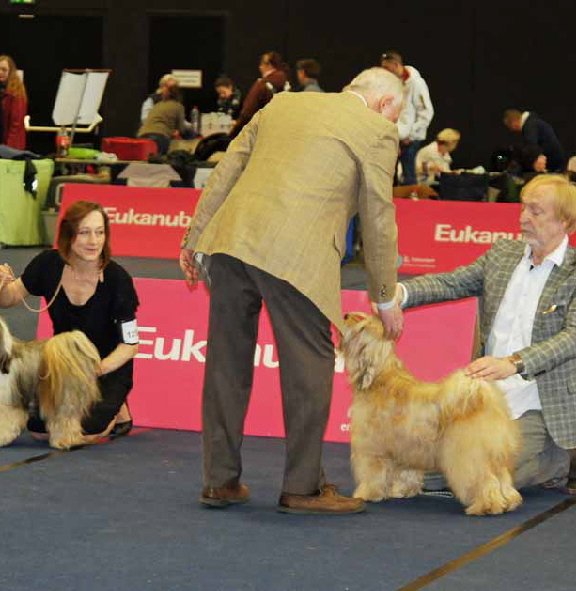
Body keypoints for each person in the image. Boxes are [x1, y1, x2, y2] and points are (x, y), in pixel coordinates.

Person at [179, 67, 405, 515]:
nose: (395, 124)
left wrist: (193, 238)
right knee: (310, 367)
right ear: (384, 105)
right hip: (294, 257)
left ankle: (219, 481)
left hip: (229, 244)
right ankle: (303, 487)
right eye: (396, 114)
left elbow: (226, 168)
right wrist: (385, 296)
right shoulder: (377, 130)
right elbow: (379, 217)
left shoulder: (283, 102)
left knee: (226, 364)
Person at [394, 174, 576, 496]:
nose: (524, 218)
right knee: (424, 473)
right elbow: (452, 283)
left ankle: (561, 461)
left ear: (564, 221)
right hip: (484, 394)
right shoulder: (502, 255)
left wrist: (514, 363)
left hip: (539, 400)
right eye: (523, 208)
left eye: (536, 212)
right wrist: (400, 292)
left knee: (482, 479)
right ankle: (546, 459)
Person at [0, 200, 139, 442]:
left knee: (86, 431)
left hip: (105, 366)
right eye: (84, 233)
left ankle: (118, 409)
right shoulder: (48, 264)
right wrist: (1, 284)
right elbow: (9, 300)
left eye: (100, 232)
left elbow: (130, 345)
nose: (94, 241)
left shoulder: (118, 280)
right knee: (38, 429)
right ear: (68, 235)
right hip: (62, 366)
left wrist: (96, 370)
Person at [380, 50, 433, 186]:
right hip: (397, 136)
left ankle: (412, 205)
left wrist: (412, 134)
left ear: (396, 65)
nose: (384, 71)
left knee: (408, 176)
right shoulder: (393, 83)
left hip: (410, 139)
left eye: (387, 68)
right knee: (391, 175)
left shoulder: (416, 83)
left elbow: (427, 112)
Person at [229, 51, 290, 139]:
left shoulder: (262, 84)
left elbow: (247, 113)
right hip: (283, 132)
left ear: (268, 64)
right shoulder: (287, 84)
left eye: (261, 64)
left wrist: (234, 131)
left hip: (262, 134)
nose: (260, 67)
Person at [137, 82, 192, 155]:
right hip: (160, 137)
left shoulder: (158, 104)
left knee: (145, 162)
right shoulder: (178, 106)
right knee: (159, 162)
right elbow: (181, 128)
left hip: (142, 135)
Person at [0, 54, 28, 150]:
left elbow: (15, 124)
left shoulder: (16, 93)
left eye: (4, 69)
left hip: (12, 144)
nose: (0, 72)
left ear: (10, 71)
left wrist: (9, 148)